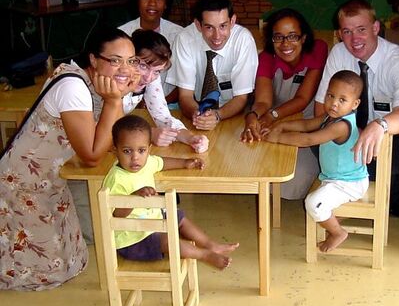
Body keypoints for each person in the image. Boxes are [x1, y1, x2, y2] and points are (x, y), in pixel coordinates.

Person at [0, 27, 140, 291]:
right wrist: (113, 102)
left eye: (131, 61)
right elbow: (91, 156)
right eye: (115, 60)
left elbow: (115, 137)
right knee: (40, 272)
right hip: (24, 181)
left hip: (52, 177)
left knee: (72, 261)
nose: (125, 69)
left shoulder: (92, 81)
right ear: (94, 60)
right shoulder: (73, 87)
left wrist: (118, 97)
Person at [315, 0, 399, 217]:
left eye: (361, 30)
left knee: (389, 185)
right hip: (350, 128)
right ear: (339, 33)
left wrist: (380, 125)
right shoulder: (338, 53)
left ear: (375, 28)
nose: (354, 39)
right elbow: (322, 106)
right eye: (347, 31)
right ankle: (353, 183)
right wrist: (335, 134)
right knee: (319, 143)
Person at [103, 114, 239, 269]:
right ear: (115, 150)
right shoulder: (116, 179)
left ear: (149, 149)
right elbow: (116, 215)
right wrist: (135, 197)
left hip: (152, 220)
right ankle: (204, 255)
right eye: (127, 151)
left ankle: (210, 245)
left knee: (177, 214)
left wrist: (185, 163)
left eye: (141, 150)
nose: (135, 157)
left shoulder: (146, 163)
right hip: (133, 239)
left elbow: (162, 162)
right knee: (168, 239)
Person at [263, 71, 368, 252]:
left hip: (349, 183)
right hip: (334, 179)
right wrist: (282, 126)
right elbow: (306, 125)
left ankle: (338, 233)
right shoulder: (330, 117)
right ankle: (332, 220)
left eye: (342, 100)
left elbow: (308, 140)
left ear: (355, 104)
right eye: (330, 95)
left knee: (312, 203)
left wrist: (277, 138)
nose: (334, 103)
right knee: (317, 202)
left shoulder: (342, 126)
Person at [240, 8, 328, 200]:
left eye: (292, 36)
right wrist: (253, 117)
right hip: (271, 120)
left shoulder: (318, 49)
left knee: (292, 188)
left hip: (305, 125)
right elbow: (263, 101)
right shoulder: (265, 58)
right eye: (278, 37)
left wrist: (273, 116)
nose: (285, 44)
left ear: (303, 38)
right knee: (246, 163)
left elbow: (302, 99)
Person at [166, 0, 258, 131]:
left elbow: (241, 98)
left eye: (223, 26)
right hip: (196, 111)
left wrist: (217, 115)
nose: (217, 36)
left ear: (232, 21)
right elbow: (185, 95)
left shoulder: (244, 40)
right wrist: (197, 116)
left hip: (234, 113)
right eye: (209, 27)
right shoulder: (184, 39)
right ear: (198, 25)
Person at [130, 29, 209, 153]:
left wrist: (190, 138)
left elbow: (163, 117)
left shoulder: (151, 78)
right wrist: (147, 134)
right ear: (130, 58)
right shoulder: (111, 78)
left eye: (157, 71)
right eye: (143, 66)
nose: (148, 78)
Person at [119, 0, 183, 102]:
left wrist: (162, 102)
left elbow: (185, 82)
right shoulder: (121, 35)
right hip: (126, 102)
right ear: (137, 1)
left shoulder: (179, 35)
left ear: (166, 4)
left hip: (168, 102)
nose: (152, 3)